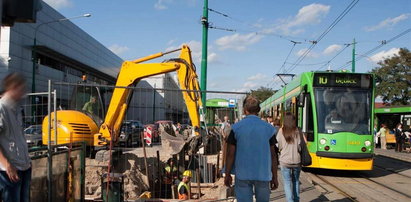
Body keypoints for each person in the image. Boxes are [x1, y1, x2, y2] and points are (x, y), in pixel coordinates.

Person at [224, 95, 279, 202]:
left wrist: (227, 174)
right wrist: (275, 176)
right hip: (263, 174)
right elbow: (273, 156)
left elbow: (230, 154)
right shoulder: (268, 129)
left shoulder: (236, 128)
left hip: (243, 174)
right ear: (258, 110)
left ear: (245, 110)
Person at [0, 73, 32, 202]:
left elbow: (18, 137)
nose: (23, 92)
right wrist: (7, 164)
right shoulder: (2, 107)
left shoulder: (17, 108)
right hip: (9, 170)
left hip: (23, 166)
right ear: (13, 87)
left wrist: (27, 162)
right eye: (22, 88)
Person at [277, 112, 304, 202]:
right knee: (296, 181)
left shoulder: (281, 131)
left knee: (287, 182)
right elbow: (302, 145)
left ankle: (290, 201)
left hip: (284, 161)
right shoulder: (297, 130)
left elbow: (278, 145)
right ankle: (296, 200)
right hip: (296, 161)